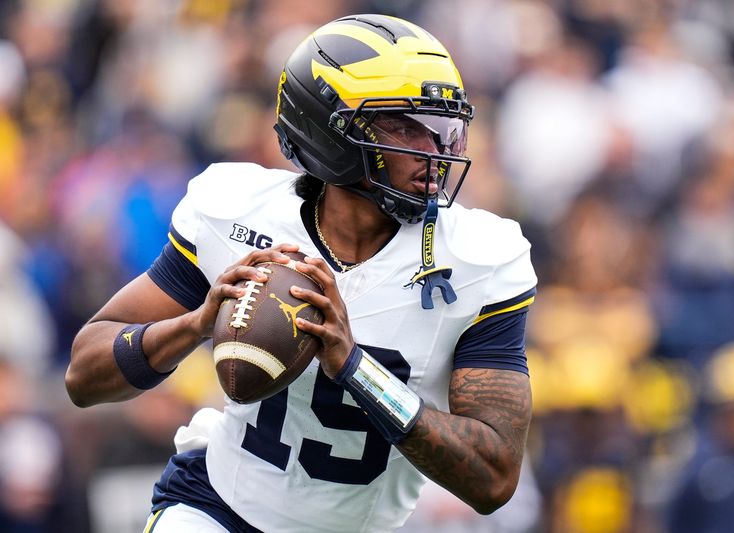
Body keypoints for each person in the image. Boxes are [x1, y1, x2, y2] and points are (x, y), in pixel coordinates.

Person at [65, 14, 537, 533]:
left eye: (444, 129)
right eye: (406, 127)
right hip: (218, 507)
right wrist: (195, 324)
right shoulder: (236, 213)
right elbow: (84, 374)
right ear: (327, 130)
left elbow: (494, 478)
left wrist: (355, 367)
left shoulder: (480, 260)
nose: (434, 153)